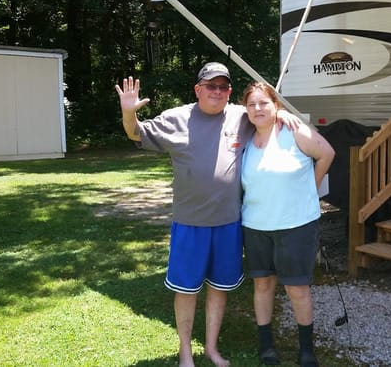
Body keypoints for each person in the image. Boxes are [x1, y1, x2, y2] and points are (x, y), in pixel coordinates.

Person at [114, 63, 299, 367]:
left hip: (229, 224)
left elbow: (264, 111)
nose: (217, 91)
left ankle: (211, 349)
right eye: (211, 86)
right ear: (198, 89)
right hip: (190, 224)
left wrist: (283, 114)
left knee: (219, 288)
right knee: (187, 290)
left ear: (229, 92)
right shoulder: (176, 118)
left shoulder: (240, 116)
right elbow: (136, 132)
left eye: (223, 87)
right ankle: (185, 352)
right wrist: (128, 112)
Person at [239, 82, 335, 367]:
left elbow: (327, 154)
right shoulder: (244, 138)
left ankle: (306, 349)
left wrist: (310, 187)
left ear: (276, 105)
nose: (257, 109)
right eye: (251, 104)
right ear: (245, 109)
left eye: (264, 103)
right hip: (255, 226)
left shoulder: (294, 132)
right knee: (263, 285)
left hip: (296, 226)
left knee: (297, 289)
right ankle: (266, 345)